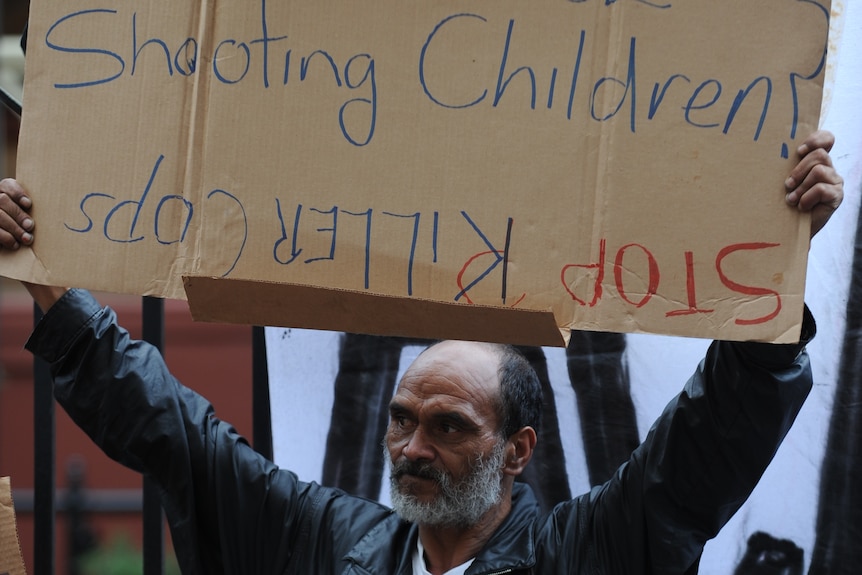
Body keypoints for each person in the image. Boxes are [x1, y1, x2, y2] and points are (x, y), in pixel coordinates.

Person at [0, 130, 845, 574]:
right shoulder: (330, 542)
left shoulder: (587, 551)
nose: (411, 447)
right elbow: (173, 434)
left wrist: (776, 265)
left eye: (448, 427)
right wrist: (47, 288)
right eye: (404, 418)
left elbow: (700, 454)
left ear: (517, 451)